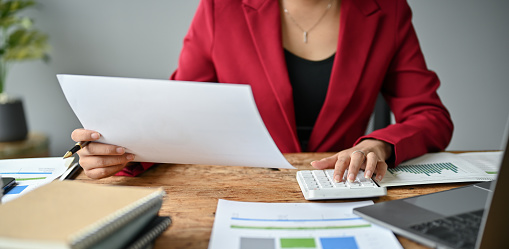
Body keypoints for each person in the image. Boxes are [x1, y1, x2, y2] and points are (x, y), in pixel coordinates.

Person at [71, 0, 453, 181]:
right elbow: (178, 110)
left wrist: (379, 144)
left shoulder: (388, 11)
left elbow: (430, 116)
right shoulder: (221, 8)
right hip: (242, 187)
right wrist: (123, 152)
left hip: (340, 186)